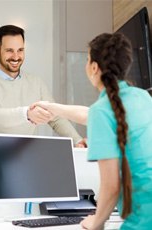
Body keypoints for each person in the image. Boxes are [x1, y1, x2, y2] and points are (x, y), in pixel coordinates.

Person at [34, 33, 152, 229]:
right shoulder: (142, 97)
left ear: (94, 67)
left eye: (88, 59)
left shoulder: (103, 110)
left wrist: (96, 221)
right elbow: (90, 114)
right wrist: (52, 107)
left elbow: (111, 186)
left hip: (143, 218)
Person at [0, 24, 85, 146]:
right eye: (9, 50)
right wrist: (27, 114)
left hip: (28, 153)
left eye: (20, 50)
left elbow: (55, 117)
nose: (16, 57)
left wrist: (77, 140)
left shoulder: (36, 82)